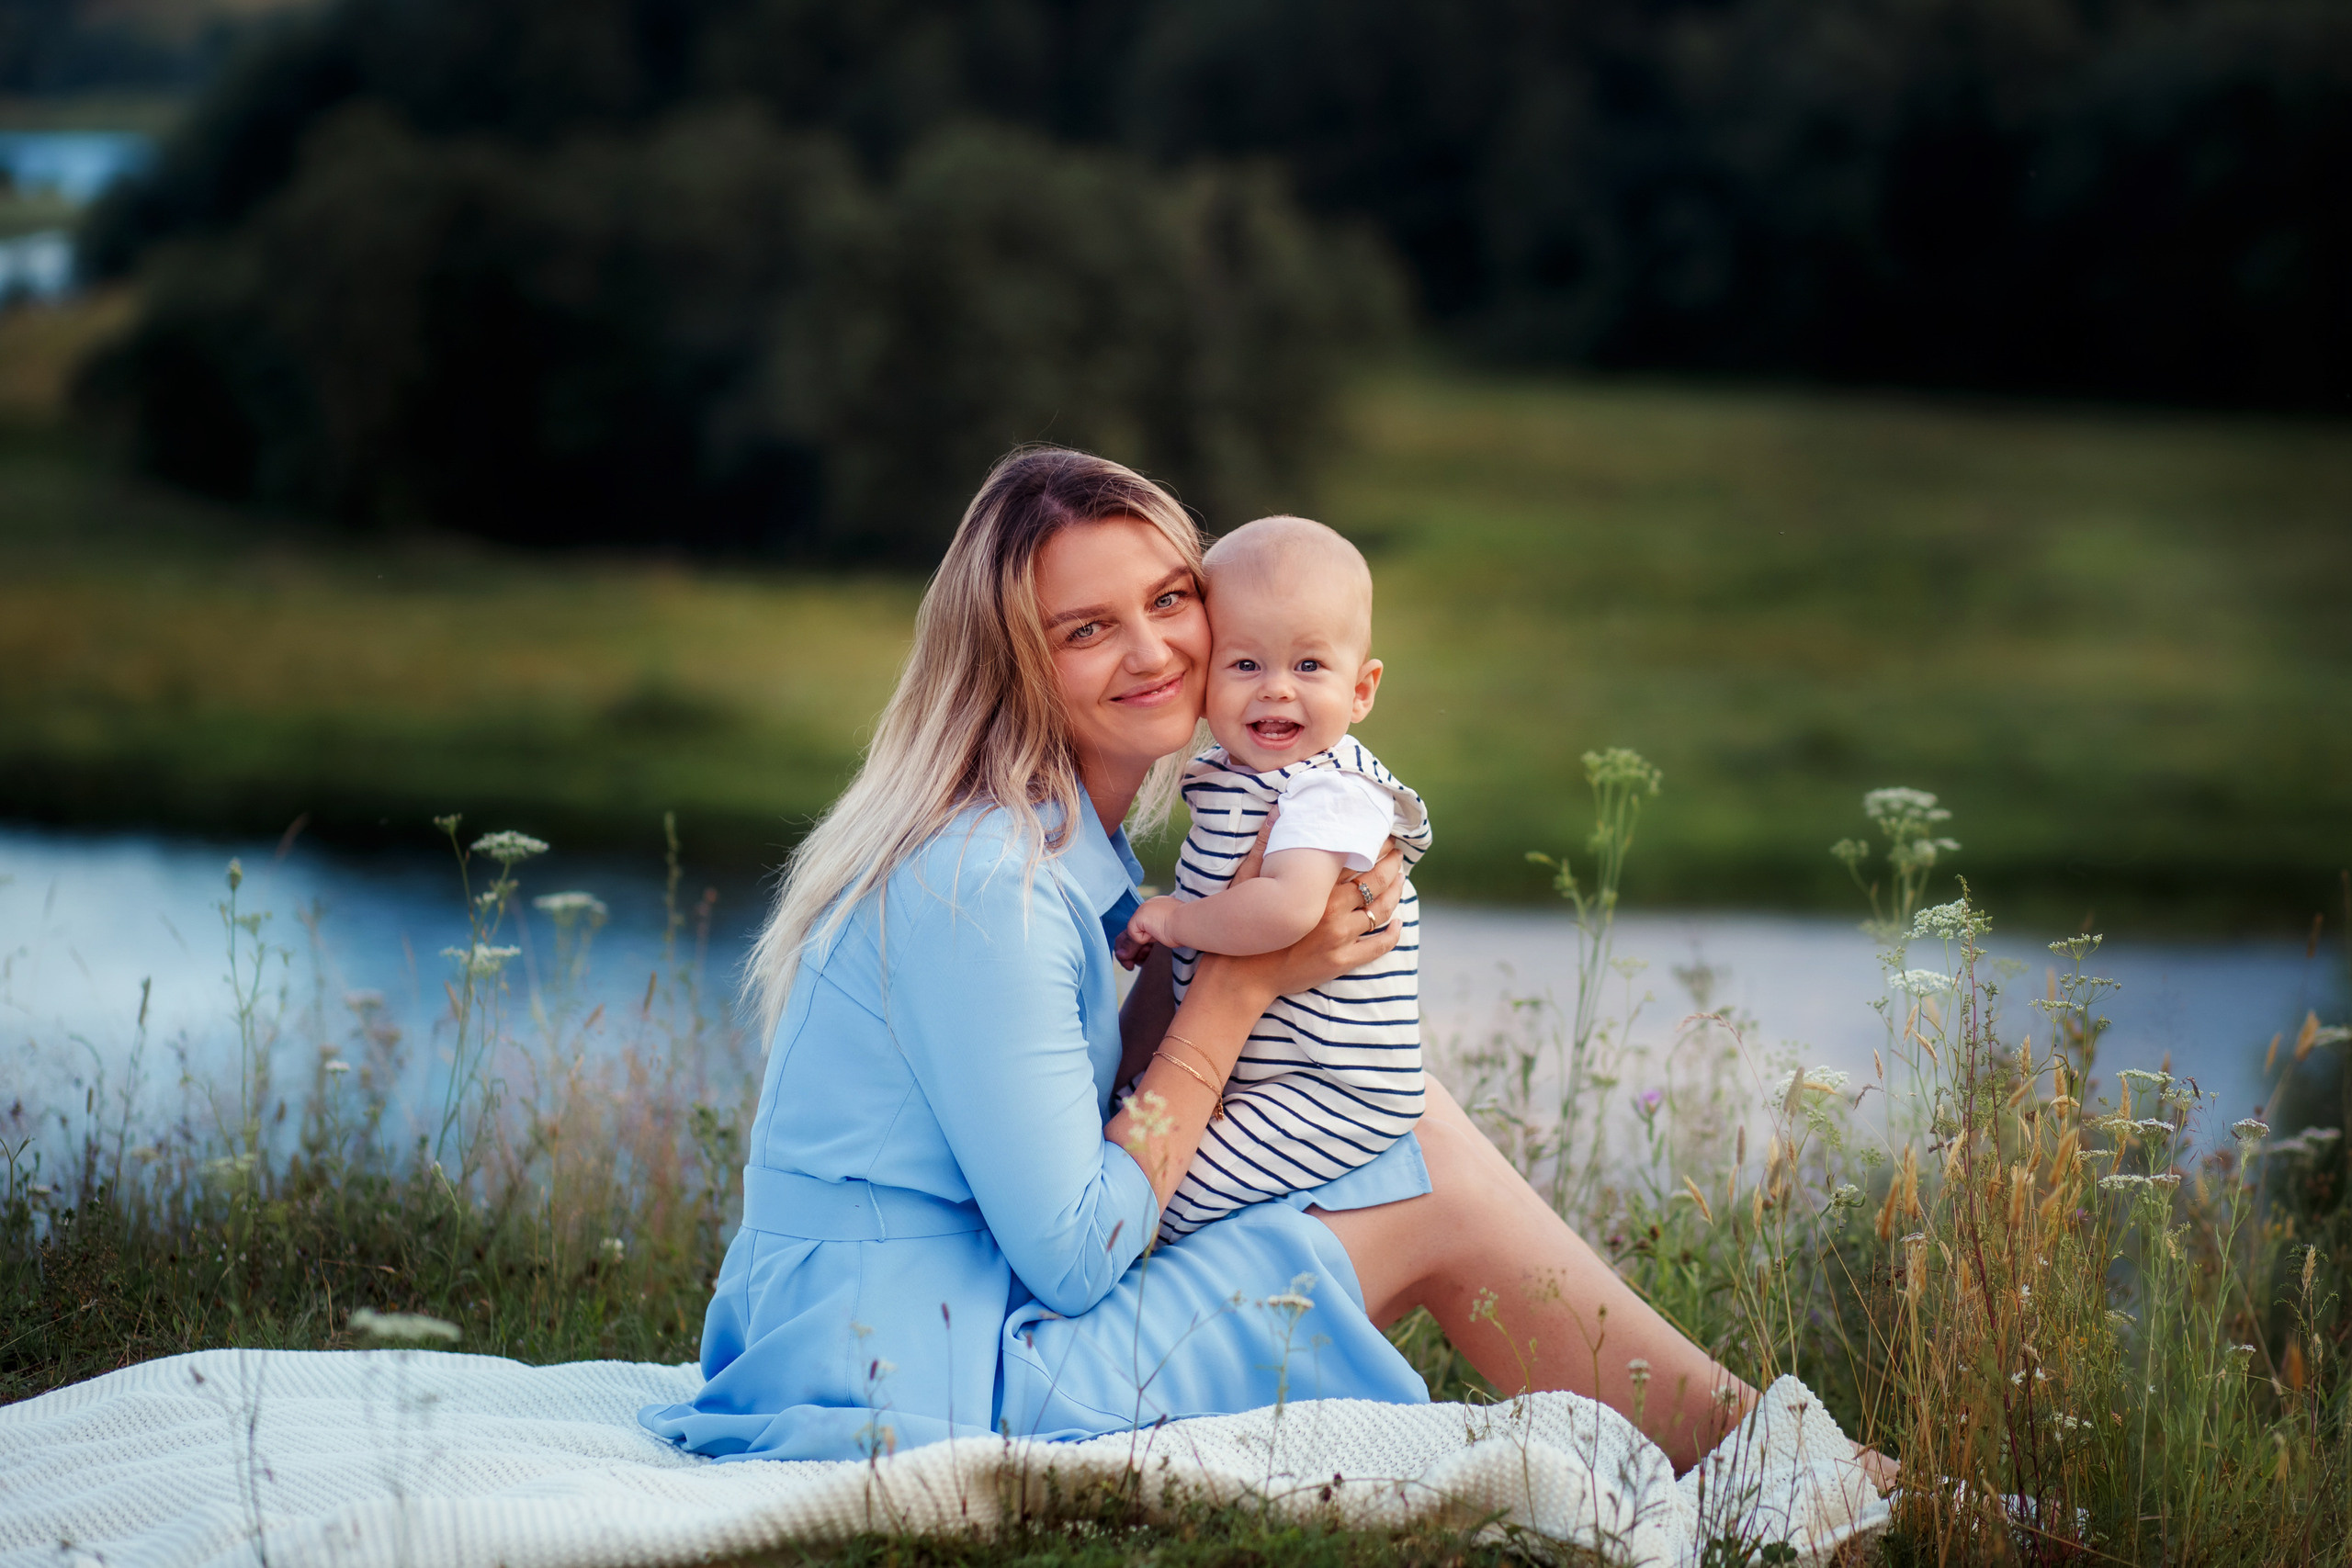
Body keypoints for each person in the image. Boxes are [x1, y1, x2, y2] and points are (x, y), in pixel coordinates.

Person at [639, 446, 1764, 1472]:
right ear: (1016, 662)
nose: (1154, 649)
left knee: (1403, 1119)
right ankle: (1770, 1480)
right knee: (1432, 1180)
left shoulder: (1057, 840)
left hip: (932, 1318)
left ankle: (1761, 1462)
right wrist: (1237, 986)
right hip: (915, 1369)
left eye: (1169, 599)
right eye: (1086, 630)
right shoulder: (989, 889)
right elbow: (1075, 1257)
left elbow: (1105, 1108)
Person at [1120, 514, 1433, 1243]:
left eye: (1310, 667)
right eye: (1246, 665)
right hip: (1254, 1065)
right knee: (1118, 1136)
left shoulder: (1333, 792)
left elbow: (1287, 910)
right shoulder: (1238, 778)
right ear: (1202, 680)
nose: (1277, 691)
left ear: (1362, 689)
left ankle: (1149, 1315)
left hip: (1333, 1088)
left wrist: (1172, 919)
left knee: (1160, 1197)